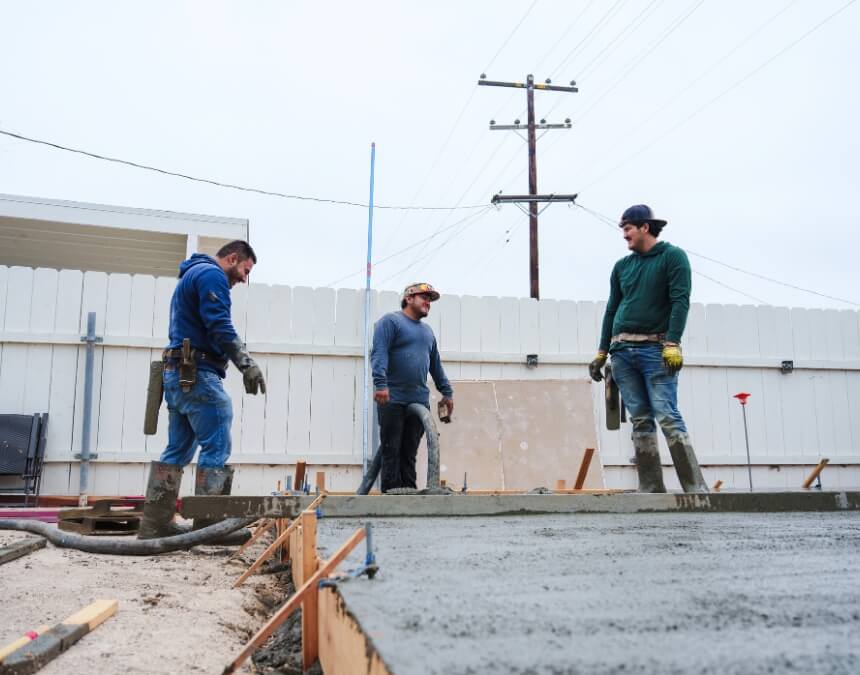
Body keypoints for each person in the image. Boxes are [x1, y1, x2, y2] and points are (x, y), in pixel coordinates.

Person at [138, 240, 267, 539]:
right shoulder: (211, 275)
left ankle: (154, 525)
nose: (244, 279)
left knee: (177, 449)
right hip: (197, 373)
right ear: (233, 258)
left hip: (178, 374)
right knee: (216, 443)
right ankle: (209, 528)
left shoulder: (192, 274)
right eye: (245, 271)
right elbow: (219, 325)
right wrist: (245, 363)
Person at [588, 205, 707, 493]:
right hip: (621, 352)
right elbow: (612, 309)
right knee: (640, 419)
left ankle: (696, 489)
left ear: (645, 227)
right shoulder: (622, 267)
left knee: (667, 414)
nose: (624, 234)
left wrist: (673, 343)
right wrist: (602, 351)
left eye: (627, 228)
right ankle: (651, 489)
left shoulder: (672, 257)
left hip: (656, 350)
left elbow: (680, 301)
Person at [371, 282, 454, 493]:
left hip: (418, 400)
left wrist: (447, 393)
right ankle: (391, 498)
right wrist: (381, 384)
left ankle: (409, 498)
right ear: (409, 299)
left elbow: (435, 365)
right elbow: (379, 353)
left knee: (409, 454)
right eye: (423, 298)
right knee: (391, 452)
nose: (428, 303)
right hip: (392, 398)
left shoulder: (427, 332)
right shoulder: (391, 322)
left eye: (430, 300)